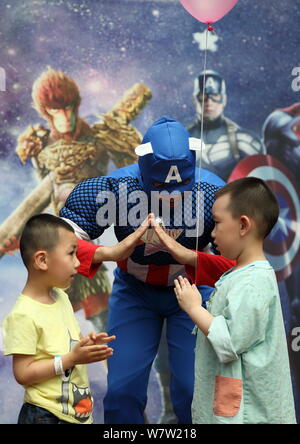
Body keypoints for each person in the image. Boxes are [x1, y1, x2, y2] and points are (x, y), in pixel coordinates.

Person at [60, 116, 225, 424]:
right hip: (135, 291)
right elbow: (59, 241)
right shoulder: (116, 187)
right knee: (123, 391)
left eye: (180, 187)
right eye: (161, 186)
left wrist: (193, 259)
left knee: (195, 389)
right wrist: (109, 252)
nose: (172, 196)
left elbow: (239, 259)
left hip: (192, 291)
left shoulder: (214, 191)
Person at [151, 177, 297, 424]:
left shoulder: (252, 283)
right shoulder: (244, 274)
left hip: (248, 417)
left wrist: (194, 307)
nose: (212, 232)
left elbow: (229, 342)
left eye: (217, 223)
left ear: (243, 225)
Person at [1, 214, 149, 424]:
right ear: (42, 260)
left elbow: (69, 341)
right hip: (46, 416)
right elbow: (23, 373)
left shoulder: (61, 297)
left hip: (76, 414)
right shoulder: (23, 314)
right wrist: (70, 360)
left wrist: (87, 345)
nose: (78, 262)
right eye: (71, 254)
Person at [188, 70, 264, 181]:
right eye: (203, 96)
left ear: (224, 99)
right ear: (195, 99)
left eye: (215, 96)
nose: (209, 102)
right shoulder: (180, 141)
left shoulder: (244, 141)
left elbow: (262, 186)